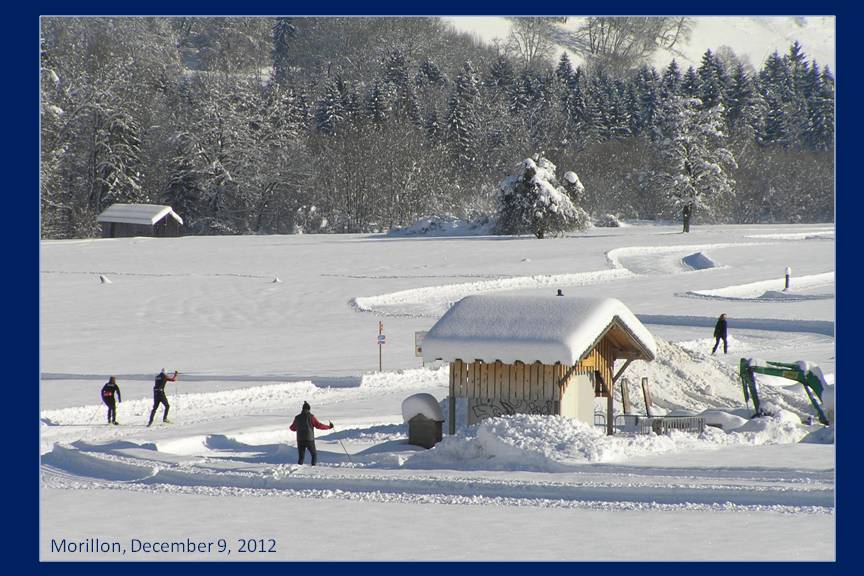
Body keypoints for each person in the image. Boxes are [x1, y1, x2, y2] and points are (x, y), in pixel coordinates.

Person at [289, 401, 334, 466]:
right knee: (314, 454)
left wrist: (299, 427)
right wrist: (329, 427)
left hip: (300, 440)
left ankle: (298, 467)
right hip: (309, 439)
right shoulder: (311, 417)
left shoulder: (297, 417)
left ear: (302, 409)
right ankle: (313, 467)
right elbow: (319, 425)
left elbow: (292, 428)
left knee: (301, 457)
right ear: (309, 409)